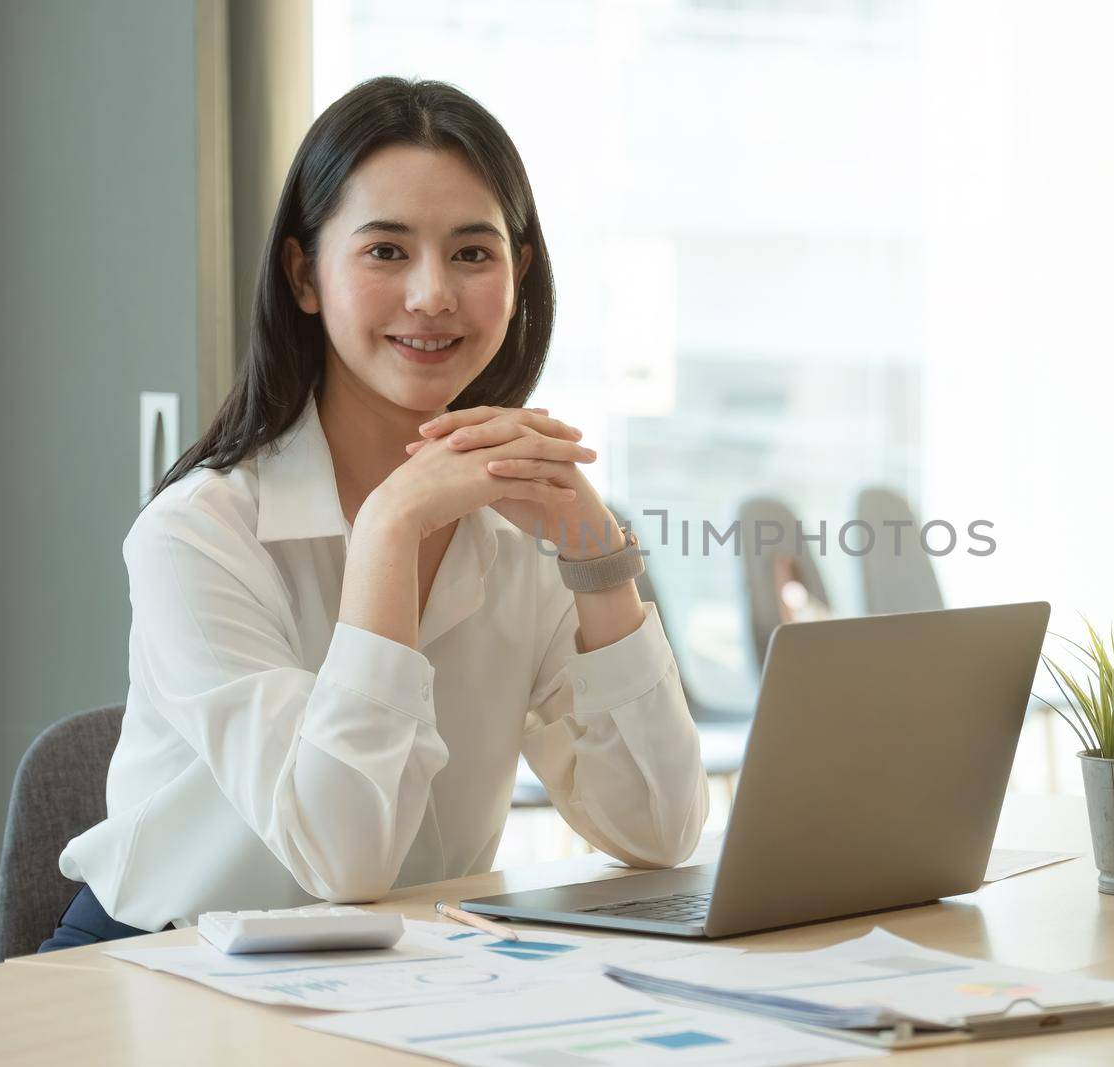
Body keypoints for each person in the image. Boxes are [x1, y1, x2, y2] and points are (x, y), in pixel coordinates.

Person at [41, 77, 708, 952]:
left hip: (400, 979)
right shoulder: (197, 533)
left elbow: (659, 830)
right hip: (159, 967)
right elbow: (343, 859)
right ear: (303, 275)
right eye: (386, 251)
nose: (433, 295)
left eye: (473, 254)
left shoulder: (525, 529)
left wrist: (595, 553)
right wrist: (390, 534)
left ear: (520, 274)